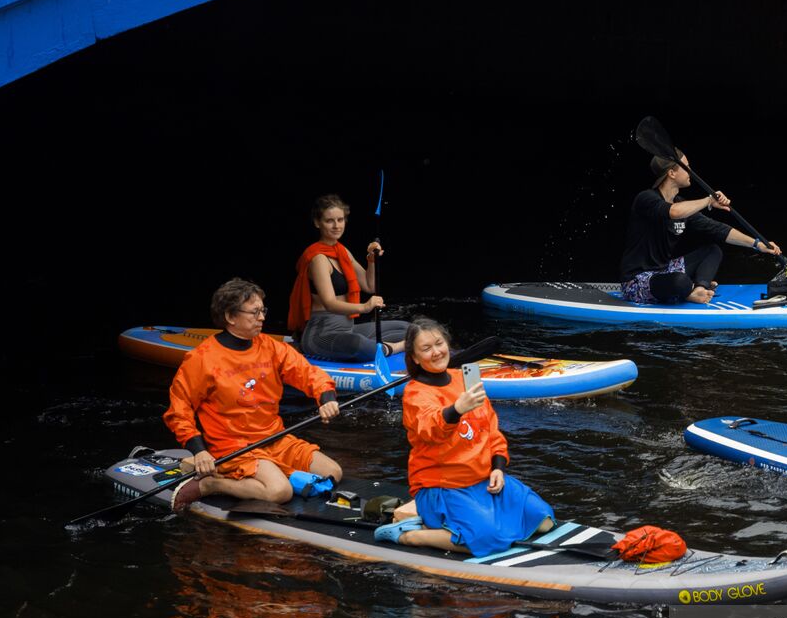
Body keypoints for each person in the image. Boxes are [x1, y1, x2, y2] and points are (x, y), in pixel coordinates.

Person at [375, 318, 554, 555]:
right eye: (426, 349)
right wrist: (457, 409)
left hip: (482, 480)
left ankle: (464, 525)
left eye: (439, 343)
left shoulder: (463, 378)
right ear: (415, 358)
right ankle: (410, 536)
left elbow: (490, 428)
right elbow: (430, 429)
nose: (436, 352)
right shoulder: (414, 392)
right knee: (488, 540)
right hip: (442, 486)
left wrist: (498, 467)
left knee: (544, 521)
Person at [165, 278, 344, 510]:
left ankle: (270, 474)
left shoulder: (270, 347)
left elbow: (308, 373)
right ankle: (211, 483)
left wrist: (326, 398)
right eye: (254, 312)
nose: (262, 317)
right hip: (233, 445)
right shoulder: (202, 359)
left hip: (274, 437)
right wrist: (199, 451)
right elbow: (179, 409)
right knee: (280, 491)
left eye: (263, 310)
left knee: (333, 472)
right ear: (230, 317)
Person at [619, 151, 783, 305]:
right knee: (680, 281)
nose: (690, 170)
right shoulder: (646, 198)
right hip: (637, 280)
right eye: (686, 166)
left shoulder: (681, 203)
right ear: (671, 173)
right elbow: (674, 212)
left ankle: (699, 288)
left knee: (712, 250)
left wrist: (757, 244)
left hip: (664, 270)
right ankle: (688, 292)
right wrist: (708, 201)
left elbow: (718, 229)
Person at [287, 194, 407, 362]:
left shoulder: (342, 252)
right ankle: (396, 347)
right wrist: (365, 307)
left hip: (347, 330)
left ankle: (381, 346)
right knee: (359, 345)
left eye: (340, 220)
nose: (337, 226)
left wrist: (371, 260)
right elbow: (329, 303)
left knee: (408, 328)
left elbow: (369, 285)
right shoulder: (318, 259)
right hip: (322, 334)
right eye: (330, 221)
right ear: (317, 223)